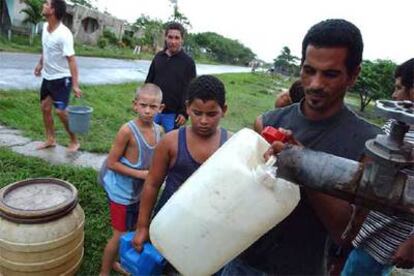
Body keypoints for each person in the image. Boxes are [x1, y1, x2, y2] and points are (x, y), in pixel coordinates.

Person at [221, 19, 381, 275]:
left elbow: (346, 234)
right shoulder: (268, 122)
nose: (315, 83)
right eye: (309, 70)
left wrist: (304, 165)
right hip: (241, 262)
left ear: (353, 75)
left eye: (330, 74)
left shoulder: (368, 145)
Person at [132, 75, 230, 255]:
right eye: (197, 112)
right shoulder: (171, 141)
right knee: (160, 263)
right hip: (167, 221)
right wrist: (142, 226)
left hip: (206, 227)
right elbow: (152, 184)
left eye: (211, 114)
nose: (203, 121)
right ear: (187, 108)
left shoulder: (231, 144)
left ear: (224, 110)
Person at [341, 58, 414, 276]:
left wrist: (412, 244)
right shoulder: (396, 124)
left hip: (389, 237)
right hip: (365, 227)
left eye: (399, 87)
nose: (394, 95)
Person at [99, 84, 164, 276]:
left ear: (161, 108)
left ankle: (119, 262)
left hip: (140, 193)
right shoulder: (127, 131)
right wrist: (143, 175)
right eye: (143, 105)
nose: (147, 110)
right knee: (119, 235)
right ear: (135, 105)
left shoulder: (160, 131)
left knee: (134, 230)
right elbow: (111, 163)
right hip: (120, 193)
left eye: (153, 107)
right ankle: (104, 271)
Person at [34, 0, 82, 152]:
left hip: (62, 79)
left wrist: (75, 85)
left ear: (53, 10)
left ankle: (74, 141)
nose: (43, 5)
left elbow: (72, 60)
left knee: (61, 111)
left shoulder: (64, 34)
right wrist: (40, 64)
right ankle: (50, 139)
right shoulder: (44, 28)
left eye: (46, 4)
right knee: (45, 108)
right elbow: (45, 48)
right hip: (47, 77)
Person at [145, 22, 197, 133]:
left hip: (173, 115)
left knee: (170, 145)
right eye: (170, 37)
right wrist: (145, 104)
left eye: (177, 38)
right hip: (154, 110)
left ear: (182, 40)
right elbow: (149, 82)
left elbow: (191, 90)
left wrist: (184, 113)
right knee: (148, 138)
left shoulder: (188, 62)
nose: (173, 41)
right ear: (165, 38)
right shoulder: (158, 57)